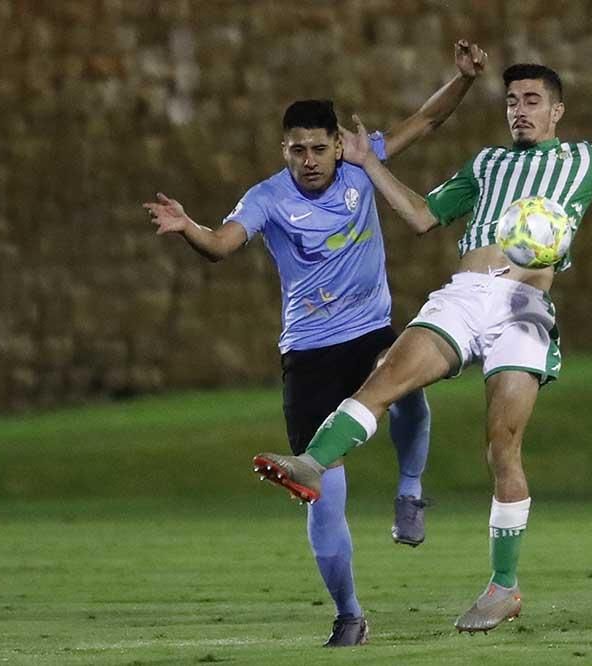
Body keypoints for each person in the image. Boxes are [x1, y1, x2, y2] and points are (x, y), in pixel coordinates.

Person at [253, 62, 592, 634]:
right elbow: (420, 217)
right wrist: (368, 163)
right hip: (465, 295)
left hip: (525, 307)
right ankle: (312, 465)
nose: (520, 108)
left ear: (556, 110)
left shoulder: (587, 162)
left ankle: (502, 587)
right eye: (512, 99)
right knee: (387, 376)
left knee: (502, 446)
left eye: (532, 99)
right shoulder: (485, 166)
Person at [143, 40, 488, 647]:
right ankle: (349, 613)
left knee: (403, 377)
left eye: (318, 148)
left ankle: (410, 491)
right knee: (322, 498)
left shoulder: (360, 164)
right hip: (308, 355)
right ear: (285, 151)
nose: (308, 160)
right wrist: (187, 228)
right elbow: (223, 244)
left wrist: (460, 79)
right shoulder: (268, 197)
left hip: (372, 332)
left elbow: (427, 121)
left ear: (337, 144)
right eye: (296, 149)